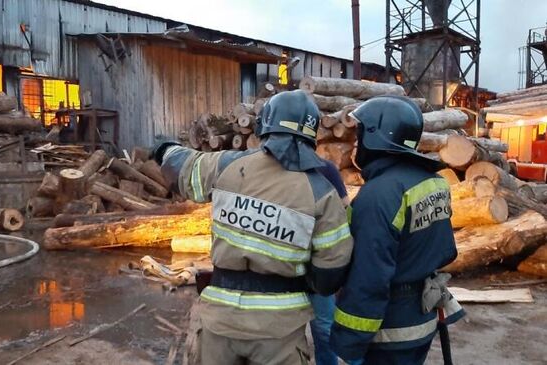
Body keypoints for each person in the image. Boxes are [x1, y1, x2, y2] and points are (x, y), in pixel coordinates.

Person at [153, 90, 353, 365]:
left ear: (264, 127)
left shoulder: (227, 165)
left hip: (219, 325)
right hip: (279, 333)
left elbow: (180, 167)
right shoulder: (321, 191)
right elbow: (330, 275)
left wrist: (165, 148)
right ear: (311, 135)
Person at [329, 96, 465, 365]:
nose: (356, 143)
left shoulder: (378, 195)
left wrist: (349, 341)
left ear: (377, 136)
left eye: (360, 133)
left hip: (390, 330)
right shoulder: (434, 181)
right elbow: (446, 250)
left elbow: (369, 276)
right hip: (422, 318)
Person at [310, 160, 349, 365]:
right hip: (286, 265)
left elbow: (345, 209)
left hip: (319, 266)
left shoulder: (325, 169)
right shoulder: (274, 169)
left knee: (324, 329)